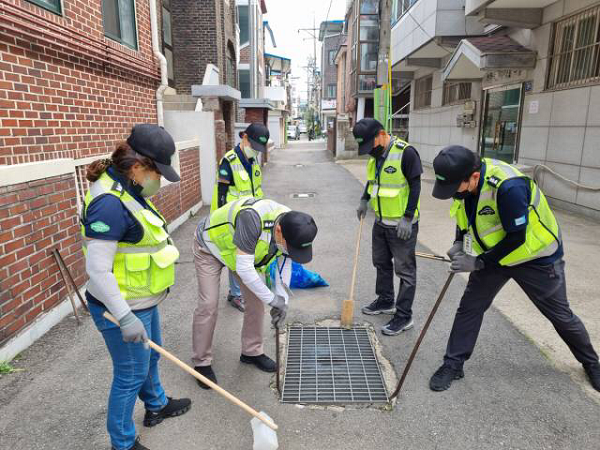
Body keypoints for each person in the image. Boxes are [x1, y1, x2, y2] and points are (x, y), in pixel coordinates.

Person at [428, 145, 600, 392]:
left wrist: (479, 262)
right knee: (470, 308)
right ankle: (453, 364)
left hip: (535, 259)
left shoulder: (509, 187)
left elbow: (516, 238)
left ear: (474, 176)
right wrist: (459, 242)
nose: (453, 193)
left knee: (560, 315)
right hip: (493, 257)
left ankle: (591, 363)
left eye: (455, 187)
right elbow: (464, 215)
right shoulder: (465, 185)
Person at [82, 124, 191, 450]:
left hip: (142, 300)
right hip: (121, 309)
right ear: (138, 167)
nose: (159, 181)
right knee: (129, 375)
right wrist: (124, 316)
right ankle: (123, 443)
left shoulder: (129, 189)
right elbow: (97, 269)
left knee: (150, 357)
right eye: (158, 172)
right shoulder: (109, 204)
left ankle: (156, 404)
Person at [191, 197, 318, 389]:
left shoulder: (293, 225)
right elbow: (244, 269)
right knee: (208, 304)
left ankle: (251, 352)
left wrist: (281, 300)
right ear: (278, 231)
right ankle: (201, 362)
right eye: (288, 246)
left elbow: (284, 263)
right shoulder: (252, 218)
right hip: (211, 247)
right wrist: (272, 299)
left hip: (242, 254)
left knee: (256, 303)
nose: (288, 250)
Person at [353, 118, 423, 336]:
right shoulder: (375, 157)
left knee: (405, 271)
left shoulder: (406, 153)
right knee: (381, 263)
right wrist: (364, 199)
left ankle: (404, 316)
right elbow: (373, 181)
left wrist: (408, 218)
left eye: (370, 145)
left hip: (401, 226)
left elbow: (415, 185)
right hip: (381, 222)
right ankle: (385, 300)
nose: (369, 151)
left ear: (381, 134)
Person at [211, 123, 269, 313]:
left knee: (247, 255)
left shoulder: (253, 161)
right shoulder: (228, 161)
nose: (256, 151)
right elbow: (221, 193)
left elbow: (256, 190)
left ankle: (241, 289)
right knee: (234, 256)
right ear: (244, 137)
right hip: (232, 218)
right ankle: (235, 294)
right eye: (254, 146)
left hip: (251, 216)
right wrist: (222, 222)